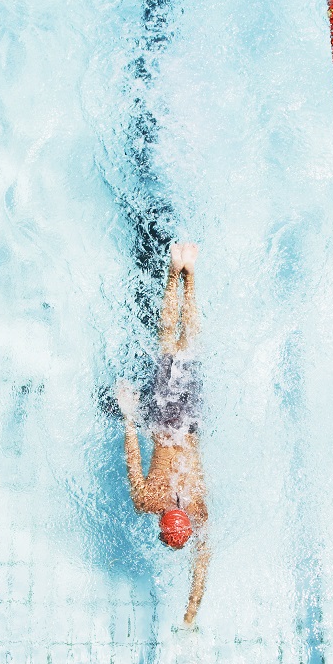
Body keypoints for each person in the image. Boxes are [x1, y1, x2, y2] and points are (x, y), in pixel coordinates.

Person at [116, 242, 211, 625]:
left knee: (188, 345)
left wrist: (191, 613)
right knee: (169, 342)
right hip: (166, 422)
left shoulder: (198, 512)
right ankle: (176, 272)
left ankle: (188, 276)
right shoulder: (147, 502)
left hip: (188, 422)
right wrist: (129, 416)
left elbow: (202, 565)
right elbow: (133, 457)